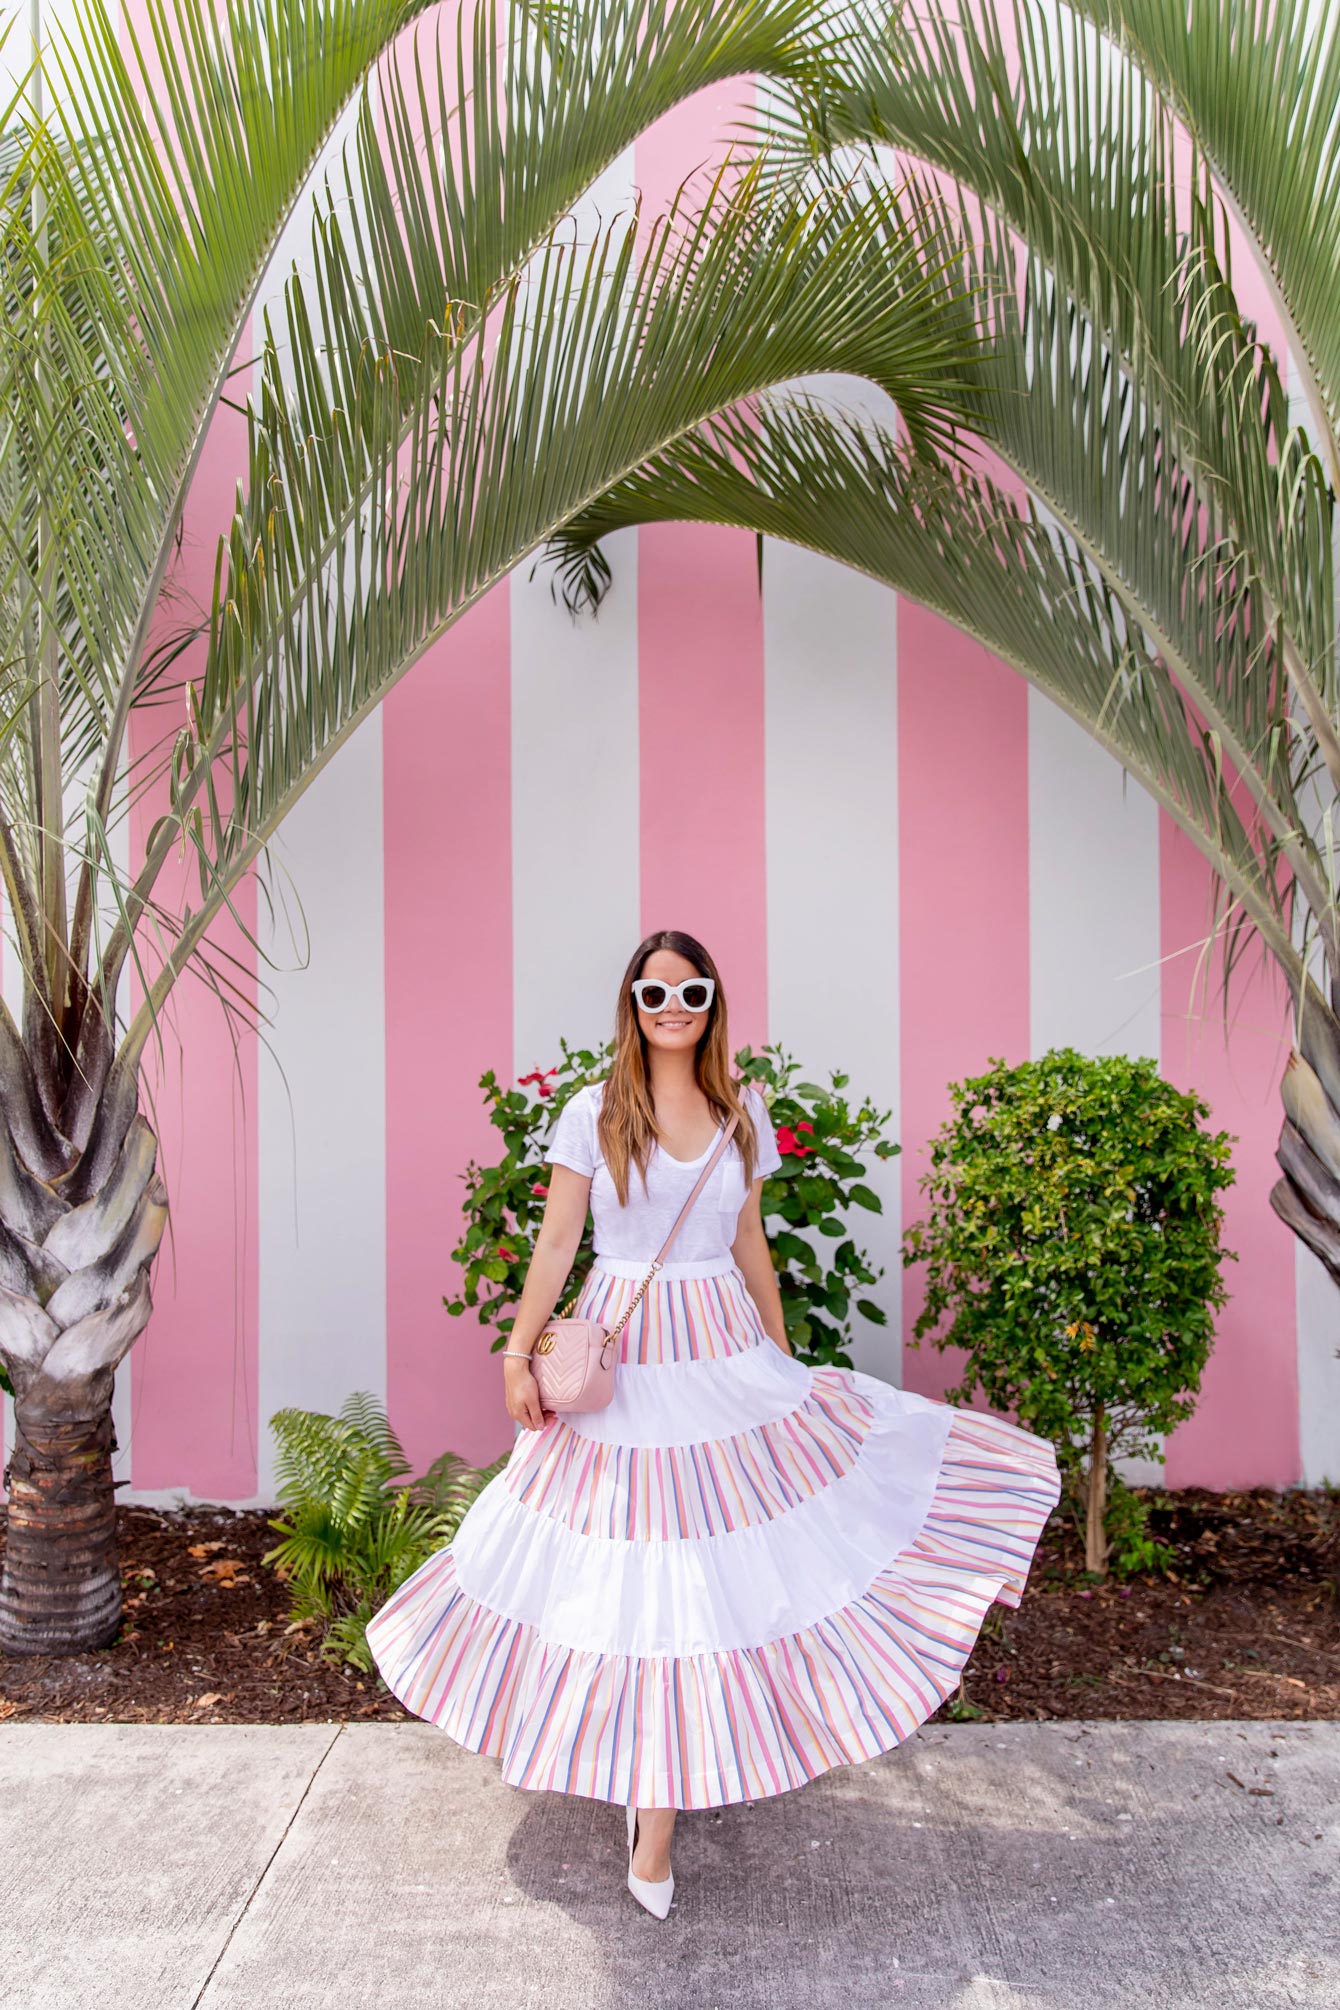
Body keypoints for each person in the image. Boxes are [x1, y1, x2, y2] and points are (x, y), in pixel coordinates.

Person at [365, 927, 1061, 1920]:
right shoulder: (592, 1115)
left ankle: (657, 1810)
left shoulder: (743, 1113)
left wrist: (780, 1362)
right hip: (624, 1366)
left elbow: (751, 1248)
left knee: (712, 1579)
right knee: (633, 1580)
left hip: (725, 1364)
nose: (672, 1010)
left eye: (689, 993)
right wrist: (517, 1352)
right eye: (653, 995)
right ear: (631, 1008)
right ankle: (649, 1811)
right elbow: (557, 1243)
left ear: (711, 1003)